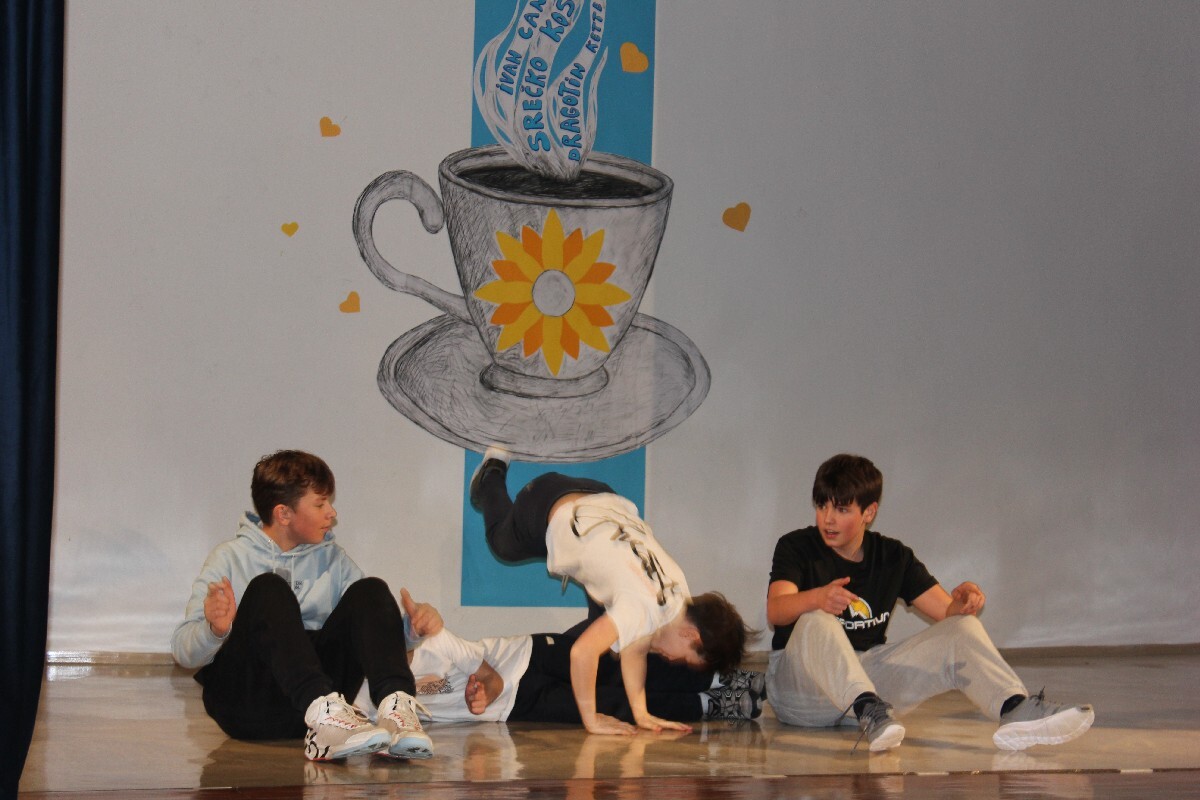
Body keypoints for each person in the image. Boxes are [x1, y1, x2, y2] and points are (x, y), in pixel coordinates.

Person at [765, 453, 1095, 752]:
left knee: (963, 628)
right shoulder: (796, 547)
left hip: (865, 685)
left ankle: (1014, 707)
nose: (827, 519)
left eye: (841, 509)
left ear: (869, 512)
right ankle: (868, 708)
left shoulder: (893, 556)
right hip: (800, 693)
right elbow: (776, 611)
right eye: (822, 506)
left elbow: (947, 613)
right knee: (817, 619)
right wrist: (817, 597)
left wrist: (963, 602)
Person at [171, 450, 437, 762]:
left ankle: (395, 713)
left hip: (312, 710)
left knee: (372, 590)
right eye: (320, 504)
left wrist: (410, 631)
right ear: (284, 514)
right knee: (268, 588)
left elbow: (368, 636)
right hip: (247, 706)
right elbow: (184, 653)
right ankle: (324, 715)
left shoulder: (334, 560)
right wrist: (214, 630)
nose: (331, 513)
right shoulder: (229, 558)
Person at [469, 448, 755, 735]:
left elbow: (635, 648)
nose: (673, 661)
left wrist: (641, 714)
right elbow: (582, 653)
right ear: (691, 635)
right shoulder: (641, 608)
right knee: (502, 544)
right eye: (684, 659)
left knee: (605, 644)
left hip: (602, 497)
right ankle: (491, 474)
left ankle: (552, 666)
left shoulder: (678, 590)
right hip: (546, 501)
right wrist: (591, 720)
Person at [357, 623, 765, 725]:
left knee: (612, 671)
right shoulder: (368, 705)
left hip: (529, 655)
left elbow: (475, 664)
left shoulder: (423, 646)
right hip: (516, 707)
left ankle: (720, 680)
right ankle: (712, 706)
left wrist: (485, 688)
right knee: (612, 705)